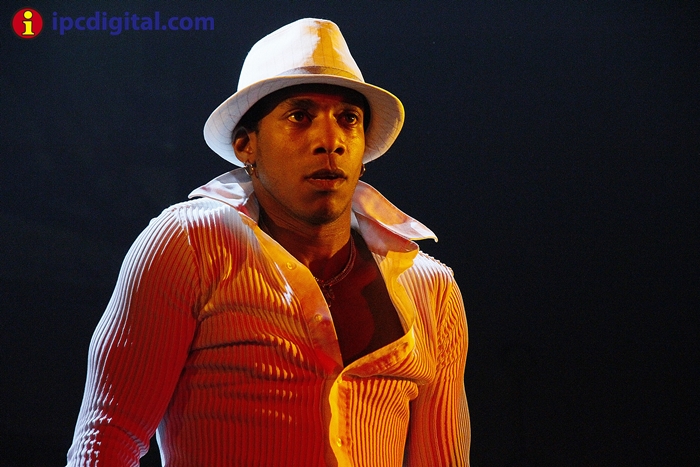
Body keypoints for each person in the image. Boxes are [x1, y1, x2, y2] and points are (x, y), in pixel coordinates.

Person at [66, 18, 470, 467]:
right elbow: (108, 438)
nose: (330, 141)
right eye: (299, 116)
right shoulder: (190, 244)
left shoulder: (430, 288)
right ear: (246, 146)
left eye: (348, 119)